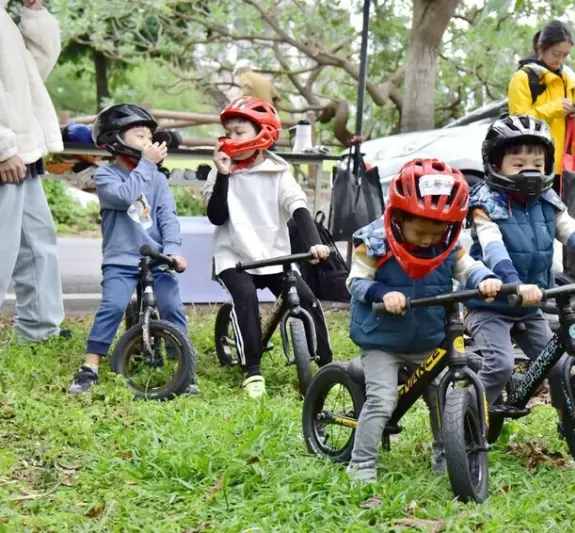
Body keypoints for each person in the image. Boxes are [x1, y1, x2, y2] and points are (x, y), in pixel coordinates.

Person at [346, 158, 502, 484]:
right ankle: (361, 464)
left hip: (429, 337)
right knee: (382, 399)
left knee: (442, 394)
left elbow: (468, 267)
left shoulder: (448, 246)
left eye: (438, 232)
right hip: (382, 341)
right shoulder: (374, 242)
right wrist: (381, 292)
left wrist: (485, 278)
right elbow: (355, 281)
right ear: (399, 217)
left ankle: (446, 455)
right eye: (420, 232)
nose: (429, 240)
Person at [465, 115, 575, 410]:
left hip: (530, 306)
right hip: (490, 306)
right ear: (495, 165)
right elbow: (493, 248)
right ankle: (468, 422)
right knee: (500, 365)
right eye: (518, 165)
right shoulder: (486, 203)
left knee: (559, 365)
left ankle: (572, 425)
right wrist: (513, 282)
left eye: (537, 165)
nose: (530, 172)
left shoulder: (547, 201)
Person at [202, 96, 333, 399]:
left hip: (274, 254)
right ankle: (252, 371)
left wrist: (315, 243)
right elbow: (216, 216)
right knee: (245, 298)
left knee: (309, 301)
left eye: (239, 132)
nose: (230, 138)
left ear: (263, 133)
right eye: (228, 132)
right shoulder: (220, 170)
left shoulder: (278, 172)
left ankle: (327, 365)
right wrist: (222, 174)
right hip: (233, 255)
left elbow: (298, 208)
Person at [68, 104, 197, 395]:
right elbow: (126, 197)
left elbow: (167, 218)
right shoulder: (106, 177)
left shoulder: (159, 180)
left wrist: (174, 249)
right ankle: (90, 367)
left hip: (157, 258)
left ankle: (184, 369)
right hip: (121, 259)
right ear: (115, 139)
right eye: (140, 135)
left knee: (172, 308)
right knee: (112, 306)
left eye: (149, 136)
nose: (148, 141)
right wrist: (147, 165)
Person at [0, 0, 67, 343]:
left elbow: (31, 76)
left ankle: (40, 331)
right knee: (3, 248)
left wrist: (33, 11)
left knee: (38, 243)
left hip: (24, 149)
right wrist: (3, 148)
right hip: (8, 153)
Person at [507, 20, 575, 188]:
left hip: (565, 166)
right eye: (557, 54)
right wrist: (554, 109)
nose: (561, 60)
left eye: (566, 55)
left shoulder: (568, 79)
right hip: (535, 164)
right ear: (541, 48)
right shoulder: (523, 78)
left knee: (564, 214)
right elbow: (519, 121)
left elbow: (572, 126)